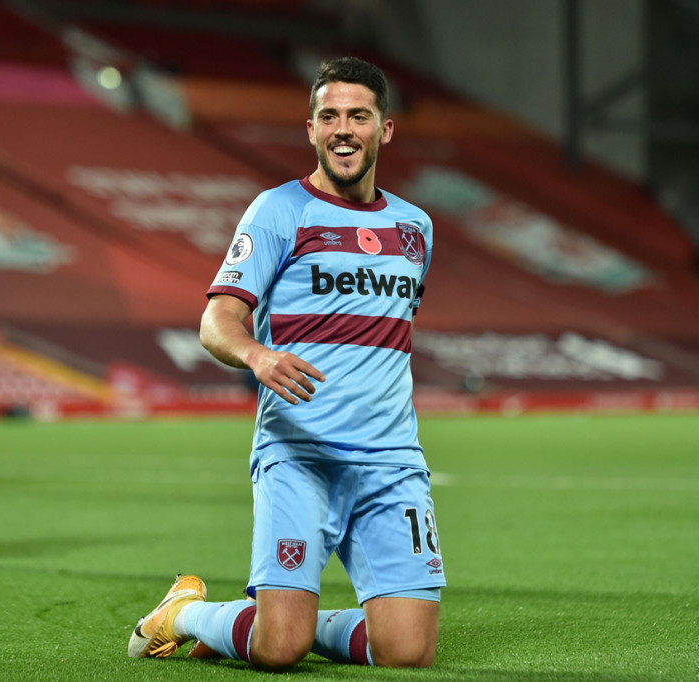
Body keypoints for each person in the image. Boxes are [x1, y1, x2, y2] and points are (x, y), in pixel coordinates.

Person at [128, 57, 443, 669]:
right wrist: (256, 354)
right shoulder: (277, 211)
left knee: (407, 652)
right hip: (300, 454)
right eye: (329, 116)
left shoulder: (416, 228)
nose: (343, 129)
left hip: (390, 460)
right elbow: (216, 320)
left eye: (359, 116)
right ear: (311, 129)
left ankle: (297, 617)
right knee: (277, 651)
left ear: (386, 129)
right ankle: (182, 613)